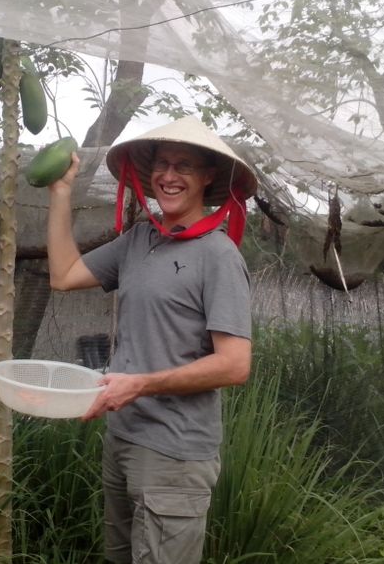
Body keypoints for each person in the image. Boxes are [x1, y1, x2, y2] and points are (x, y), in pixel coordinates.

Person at [45, 116, 258, 564]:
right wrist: (61, 192)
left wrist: (139, 384)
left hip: (175, 452)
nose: (168, 175)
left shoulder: (218, 256)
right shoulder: (140, 239)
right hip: (123, 437)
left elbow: (234, 365)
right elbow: (63, 276)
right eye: (162, 164)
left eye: (184, 166)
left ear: (207, 177)